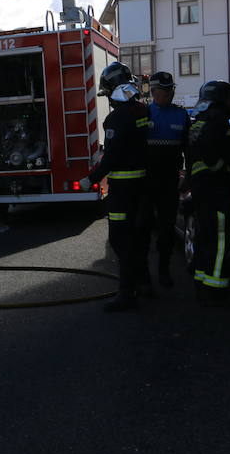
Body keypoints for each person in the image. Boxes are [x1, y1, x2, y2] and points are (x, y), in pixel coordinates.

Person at [79, 61, 150, 312]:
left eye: (108, 93)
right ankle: (144, 284)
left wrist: (91, 178)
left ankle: (126, 293)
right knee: (140, 238)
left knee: (120, 240)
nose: (108, 98)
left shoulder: (115, 119)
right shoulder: (142, 112)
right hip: (144, 187)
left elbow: (112, 158)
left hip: (122, 190)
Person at [186, 80, 230, 305]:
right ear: (221, 99)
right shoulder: (217, 117)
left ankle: (202, 282)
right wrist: (224, 167)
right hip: (215, 188)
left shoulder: (200, 120)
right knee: (221, 238)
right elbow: (211, 151)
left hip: (202, 188)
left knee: (206, 237)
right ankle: (216, 289)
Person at [137, 72, 191, 288]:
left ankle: (164, 271)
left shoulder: (181, 115)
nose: (168, 95)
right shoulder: (144, 112)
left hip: (169, 181)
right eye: (164, 91)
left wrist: (187, 175)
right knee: (142, 229)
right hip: (146, 180)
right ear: (153, 92)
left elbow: (189, 148)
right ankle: (144, 276)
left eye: (171, 91)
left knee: (167, 230)